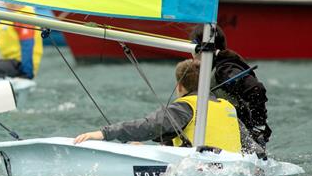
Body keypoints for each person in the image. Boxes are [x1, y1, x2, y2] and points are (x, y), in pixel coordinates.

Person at [74, 58, 264, 157]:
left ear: (179, 87)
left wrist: (104, 133)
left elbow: (149, 126)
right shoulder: (227, 107)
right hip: (231, 170)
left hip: (200, 173)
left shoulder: (185, 106)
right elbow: (253, 149)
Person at [189, 25, 271, 148]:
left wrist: (258, 127)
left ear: (197, 47)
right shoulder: (212, 68)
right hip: (225, 139)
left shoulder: (225, 69)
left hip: (241, 143)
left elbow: (256, 89)